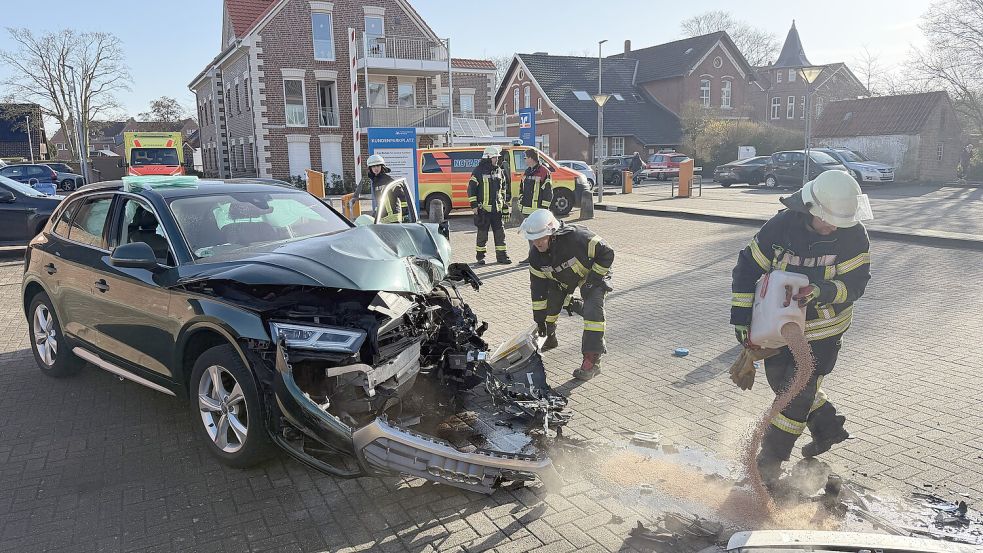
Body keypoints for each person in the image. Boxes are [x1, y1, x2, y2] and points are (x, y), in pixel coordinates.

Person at [730, 170, 872, 490]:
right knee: (780, 380)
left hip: (824, 330)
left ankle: (769, 462)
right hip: (780, 328)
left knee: (796, 391)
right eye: (827, 220)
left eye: (840, 221)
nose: (834, 227)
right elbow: (747, 267)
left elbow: (856, 285)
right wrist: (741, 321)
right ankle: (827, 425)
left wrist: (821, 291)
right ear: (811, 208)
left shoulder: (854, 236)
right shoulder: (781, 226)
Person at [520, 209, 614, 381]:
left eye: (541, 238)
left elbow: (607, 253)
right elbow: (539, 290)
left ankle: (592, 360)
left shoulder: (577, 237)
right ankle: (550, 336)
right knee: (550, 305)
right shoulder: (536, 257)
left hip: (592, 274)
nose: (537, 243)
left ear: (552, 234)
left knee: (593, 312)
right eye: (533, 239)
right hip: (564, 279)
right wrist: (540, 321)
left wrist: (593, 280)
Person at [468, 146, 512, 264]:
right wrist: (474, 206)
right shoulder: (478, 171)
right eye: (494, 157)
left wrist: (504, 205)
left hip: (497, 210)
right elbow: (471, 189)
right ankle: (480, 257)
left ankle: (502, 257)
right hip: (484, 210)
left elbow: (503, 189)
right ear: (487, 157)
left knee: (500, 234)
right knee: (482, 235)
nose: (496, 159)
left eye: (497, 157)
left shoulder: (499, 171)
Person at [517, 149, 553, 264]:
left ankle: (543, 258)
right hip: (527, 210)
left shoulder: (544, 172)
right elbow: (521, 189)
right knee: (531, 235)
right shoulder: (527, 171)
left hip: (538, 211)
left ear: (531, 158)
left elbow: (548, 192)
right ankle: (532, 257)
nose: (524, 160)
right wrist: (520, 202)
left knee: (541, 236)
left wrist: (544, 210)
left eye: (525, 158)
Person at [366, 154, 406, 223]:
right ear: (370, 168)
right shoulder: (375, 182)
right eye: (373, 166)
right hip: (383, 217)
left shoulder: (388, 180)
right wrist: (376, 212)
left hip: (394, 217)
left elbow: (401, 194)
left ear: (382, 166)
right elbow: (379, 199)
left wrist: (405, 211)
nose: (376, 168)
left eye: (378, 166)